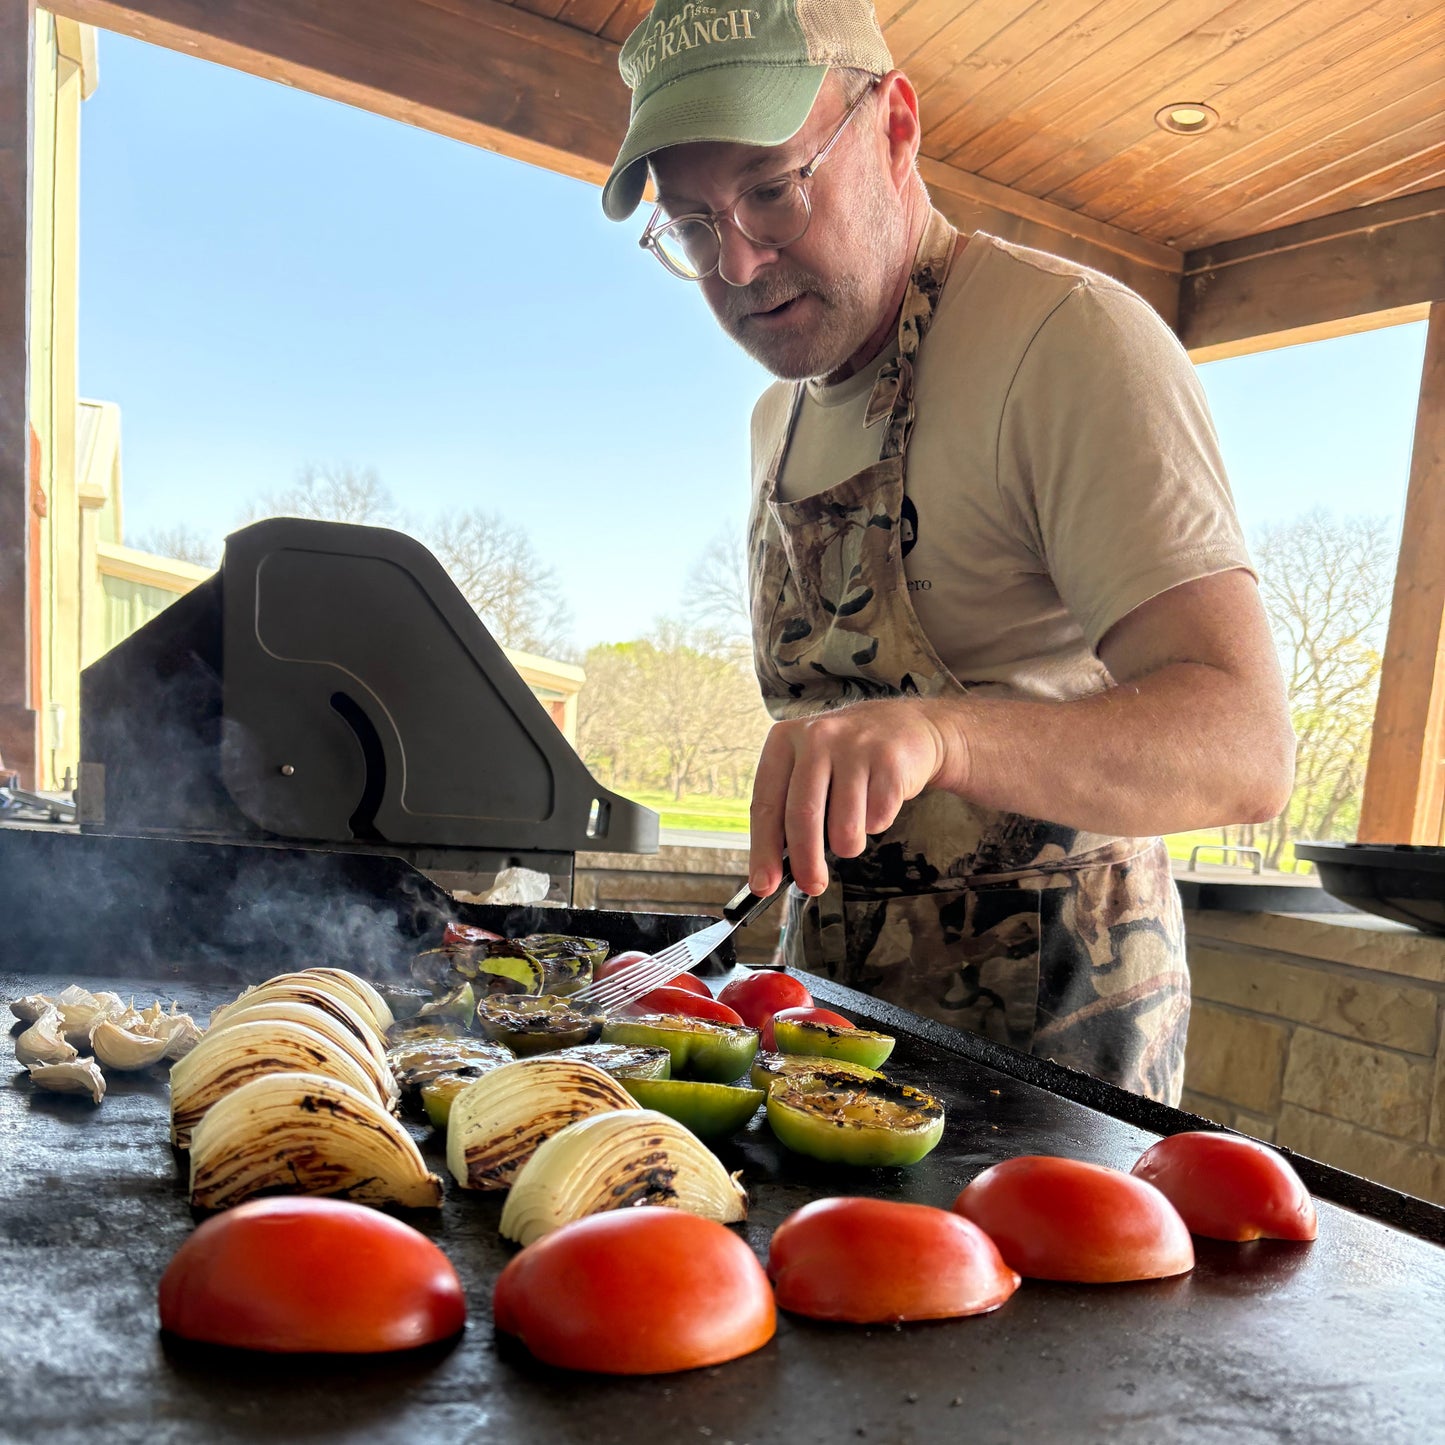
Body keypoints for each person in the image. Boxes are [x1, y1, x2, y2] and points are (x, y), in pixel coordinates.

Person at [601, 0, 1294, 1104]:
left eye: (773, 189)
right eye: (690, 224)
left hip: (1050, 1062)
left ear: (894, 126)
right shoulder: (770, 425)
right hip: (831, 1033)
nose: (735, 261)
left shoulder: (1065, 340)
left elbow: (1242, 745)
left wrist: (935, 732)